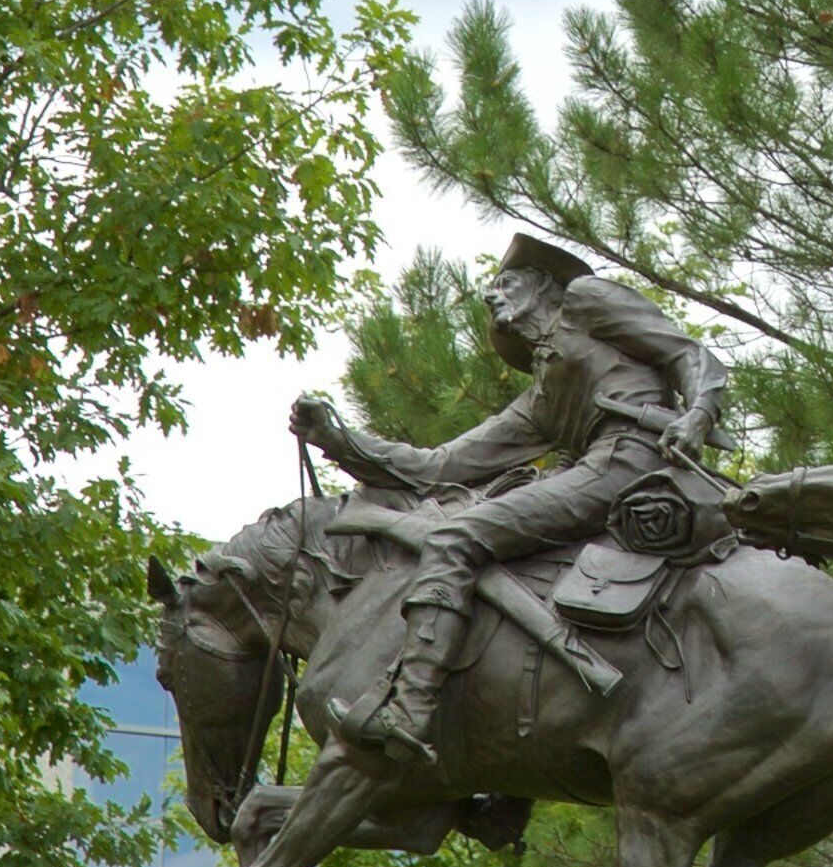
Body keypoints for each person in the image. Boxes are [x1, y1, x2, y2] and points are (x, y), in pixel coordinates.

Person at [289, 234, 726, 765]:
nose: (491, 297)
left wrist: (698, 413)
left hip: (631, 460)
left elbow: (687, 353)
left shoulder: (586, 298)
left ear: (544, 285)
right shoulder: (543, 398)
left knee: (455, 537)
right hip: (601, 471)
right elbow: (440, 467)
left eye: (505, 284)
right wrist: (337, 437)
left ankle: (410, 705)